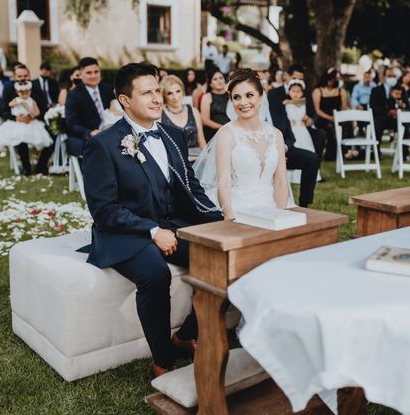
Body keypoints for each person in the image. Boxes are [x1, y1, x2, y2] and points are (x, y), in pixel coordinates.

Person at [81, 62, 222, 378]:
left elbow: (189, 185)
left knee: (222, 260)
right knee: (156, 275)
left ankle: (186, 335)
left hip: (171, 225)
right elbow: (103, 209)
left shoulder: (172, 134)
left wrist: (219, 219)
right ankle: (163, 359)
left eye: (157, 90)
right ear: (125, 101)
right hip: (123, 233)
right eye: (147, 93)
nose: (157, 98)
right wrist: (152, 230)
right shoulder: (102, 145)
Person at [194, 69, 289, 219]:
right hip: (238, 208)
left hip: (274, 206)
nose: (243, 102)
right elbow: (223, 183)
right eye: (236, 97)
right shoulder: (227, 134)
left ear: (261, 97)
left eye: (249, 95)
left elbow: (281, 182)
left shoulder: (276, 134)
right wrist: (230, 216)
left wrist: (281, 215)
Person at [267, 64, 326, 172]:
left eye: (300, 79)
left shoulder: (306, 93)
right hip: (282, 129)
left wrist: (311, 119)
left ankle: (313, 169)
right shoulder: (273, 93)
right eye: (295, 78)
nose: (298, 81)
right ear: (288, 76)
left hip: (302, 126)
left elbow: (313, 113)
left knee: (320, 134)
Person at [1, 63, 53, 174]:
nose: (23, 78)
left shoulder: (37, 89)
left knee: (53, 134)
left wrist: (33, 117)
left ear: (29, 76)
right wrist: (16, 118)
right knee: (21, 136)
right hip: (16, 121)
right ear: (15, 77)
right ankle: (26, 167)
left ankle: (41, 166)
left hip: (35, 121)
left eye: (25, 75)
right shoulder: (9, 88)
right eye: (19, 76)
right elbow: (4, 109)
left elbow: (43, 108)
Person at [64, 57, 114, 157]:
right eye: (89, 73)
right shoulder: (74, 95)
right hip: (89, 136)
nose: (93, 76)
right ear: (81, 75)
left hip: (111, 132)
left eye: (96, 72)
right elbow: (71, 124)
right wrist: (90, 132)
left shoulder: (107, 89)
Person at [160, 75, 207, 156]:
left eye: (178, 91)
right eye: (170, 93)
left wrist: (207, 158)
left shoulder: (194, 111)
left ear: (182, 91)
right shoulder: (159, 114)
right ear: (164, 96)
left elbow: (201, 141)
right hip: (173, 160)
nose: (175, 97)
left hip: (195, 158)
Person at [311, 68, 349, 161]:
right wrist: (330, 118)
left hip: (338, 117)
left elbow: (344, 107)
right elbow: (317, 110)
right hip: (322, 118)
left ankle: (345, 151)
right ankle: (331, 154)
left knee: (346, 126)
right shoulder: (318, 91)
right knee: (329, 129)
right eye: (335, 78)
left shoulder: (341, 91)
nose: (337, 81)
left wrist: (339, 117)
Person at [200, 69, 230, 142]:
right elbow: (205, 120)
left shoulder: (231, 95)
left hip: (231, 130)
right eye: (215, 79)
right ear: (210, 84)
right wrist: (223, 128)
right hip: (213, 133)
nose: (219, 81)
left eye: (221, 78)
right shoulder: (207, 97)